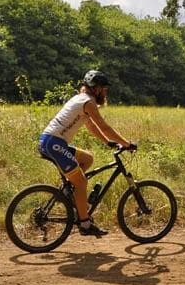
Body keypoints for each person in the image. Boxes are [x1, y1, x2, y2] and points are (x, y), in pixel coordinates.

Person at [38, 70, 135, 237]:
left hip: (51, 142)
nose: (105, 93)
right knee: (81, 182)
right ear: (95, 88)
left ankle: (72, 195)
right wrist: (126, 143)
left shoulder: (80, 99)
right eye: (104, 89)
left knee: (87, 159)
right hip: (53, 143)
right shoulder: (88, 102)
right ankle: (85, 224)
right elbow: (104, 126)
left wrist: (107, 141)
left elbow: (91, 126)